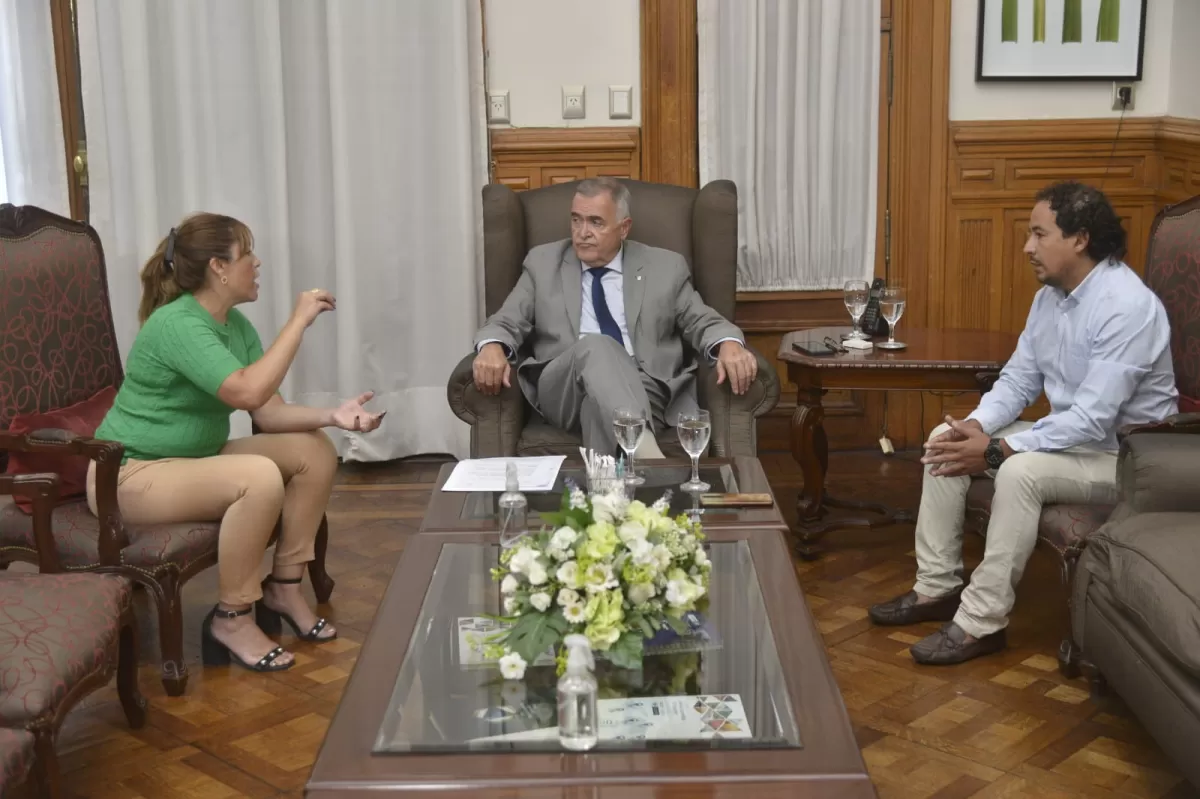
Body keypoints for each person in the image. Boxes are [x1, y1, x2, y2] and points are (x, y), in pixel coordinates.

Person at [869, 181, 1178, 665]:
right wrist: (973, 427)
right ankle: (937, 587)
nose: (1027, 247)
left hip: (1127, 459)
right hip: (1075, 443)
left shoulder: (1128, 307)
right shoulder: (1050, 297)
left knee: (1019, 470)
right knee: (943, 440)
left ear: (1079, 239)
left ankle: (981, 622)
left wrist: (998, 451)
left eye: (1039, 234)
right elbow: (1017, 381)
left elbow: (1093, 418)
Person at [87, 212, 384, 673]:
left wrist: (334, 416)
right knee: (259, 477)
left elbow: (267, 412)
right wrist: (299, 321)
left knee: (313, 451)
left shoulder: (234, 326)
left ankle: (284, 586)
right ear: (218, 267)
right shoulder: (177, 324)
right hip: (129, 473)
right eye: (247, 255)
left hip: (190, 460)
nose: (257, 262)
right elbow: (245, 391)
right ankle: (232, 615)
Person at [471, 177, 758, 455]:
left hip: (645, 385)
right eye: (576, 220)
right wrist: (492, 345)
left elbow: (702, 320)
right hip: (564, 387)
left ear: (624, 228)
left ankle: (610, 501)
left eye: (596, 222)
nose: (583, 232)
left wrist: (729, 344)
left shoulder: (664, 267)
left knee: (596, 409)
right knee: (597, 346)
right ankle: (650, 458)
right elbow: (506, 320)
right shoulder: (543, 263)